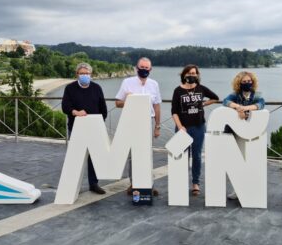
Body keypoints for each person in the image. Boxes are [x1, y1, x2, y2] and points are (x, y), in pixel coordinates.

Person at [115, 57, 161, 195]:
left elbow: (157, 106)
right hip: (131, 122)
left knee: (147, 154)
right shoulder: (127, 82)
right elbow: (117, 103)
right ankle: (133, 183)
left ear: (150, 69)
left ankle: (149, 184)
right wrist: (128, 100)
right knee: (132, 155)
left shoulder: (154, 84)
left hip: (147, 122)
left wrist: (157, 126)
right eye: (142, 67)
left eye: (147, 68)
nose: (144, 70)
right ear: (136, 67)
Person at [171, 65, 219, 196]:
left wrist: (203, 104)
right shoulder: (178, 91)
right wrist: (180, 126)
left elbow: (216, 98)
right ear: (184, 75)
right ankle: (180, 182)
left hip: (199, 126)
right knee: (182, 156)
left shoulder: (201, 89)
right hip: (183, 127)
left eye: (194, 73)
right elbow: (174, 111)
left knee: (197, 155)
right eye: (189, 73)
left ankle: (195, 183)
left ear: (197, 75)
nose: (192, 75)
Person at [62, 62, 108, 195]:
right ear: (77, 74)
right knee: (75, 156)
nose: (85, 76)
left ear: (91, 74)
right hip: (76, 128)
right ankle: (71, 184)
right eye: (82, 73)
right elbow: (65, 107)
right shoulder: (70, 88)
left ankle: (94, 184)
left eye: (87, 74)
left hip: (95, 128)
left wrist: (99, 123)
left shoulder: (97, 88)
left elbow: (103, 109)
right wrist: (76, 112)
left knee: (94, 157)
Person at [223, 71, 265, 201]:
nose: (247, 83)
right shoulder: (235, 95)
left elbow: (261, 104)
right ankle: (237, 189)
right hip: (234, 132)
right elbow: (225, 101)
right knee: (236, 162)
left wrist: (246, 109)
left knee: (248, 161)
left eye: (249, 81)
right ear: (239, 83)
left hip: (251, 133)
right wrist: (238, 107)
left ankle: (249, 188)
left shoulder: (257, 95)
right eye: (244, 82)